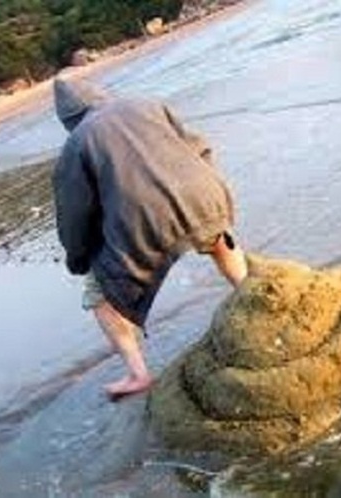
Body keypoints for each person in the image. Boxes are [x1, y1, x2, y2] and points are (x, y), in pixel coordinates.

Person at [52, 78, 248, 399]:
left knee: (98, 296)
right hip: (204, 193)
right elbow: (200, 147)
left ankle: (138, 374)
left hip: (145, 221)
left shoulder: (76, 144)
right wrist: (210, 186)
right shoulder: (148, 104)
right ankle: (248, 290)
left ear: (68, 120)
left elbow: (75, 215)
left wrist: (77, 259)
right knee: (218, 238)